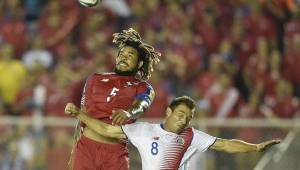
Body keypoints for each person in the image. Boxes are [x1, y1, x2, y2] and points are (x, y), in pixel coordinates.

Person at [65, 96, 281, 170]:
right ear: (168, 111)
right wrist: (79, 114)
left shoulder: (192, 135)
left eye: (189, 116)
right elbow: (106, 129)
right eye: (180, 112)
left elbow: (225, 144)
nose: (184, 118)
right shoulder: (143, 130)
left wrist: (256, 147)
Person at [69, 28, 161, 170]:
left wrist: (129, 113)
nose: (124, 57)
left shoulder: (143, 87)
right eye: (121, 54)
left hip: (115, 154)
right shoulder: (94, 78)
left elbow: (142, 104)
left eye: (130, 55)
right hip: (86, 149)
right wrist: (74, 153)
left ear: (140, 63)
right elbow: (82, 116)